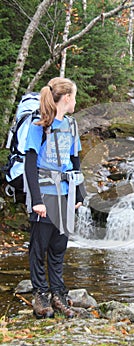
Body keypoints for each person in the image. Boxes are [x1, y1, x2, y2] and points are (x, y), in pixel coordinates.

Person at [24, 77, 85, 319]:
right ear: (67, 98)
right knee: (39, 248)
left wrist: (80, 192)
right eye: (74, 96)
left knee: (59, 247)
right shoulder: (38, 125)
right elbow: (30, 165)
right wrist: (36, 200)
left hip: (66, 195)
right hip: (44, 194)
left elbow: (76, 160)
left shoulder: (71, 125)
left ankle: (58, 294)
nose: (75, 101)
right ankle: (40, 295)